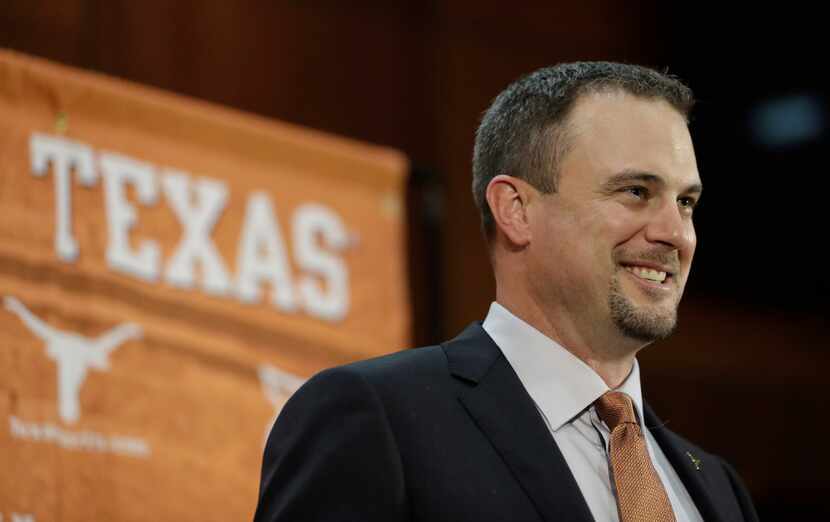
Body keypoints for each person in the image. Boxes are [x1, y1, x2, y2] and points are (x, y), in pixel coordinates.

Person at [253, 62, 759, 522]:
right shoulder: (376, 419)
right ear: (516, 209)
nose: (676, 233)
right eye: (636, 192)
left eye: (687, 201)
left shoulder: (719, 488)